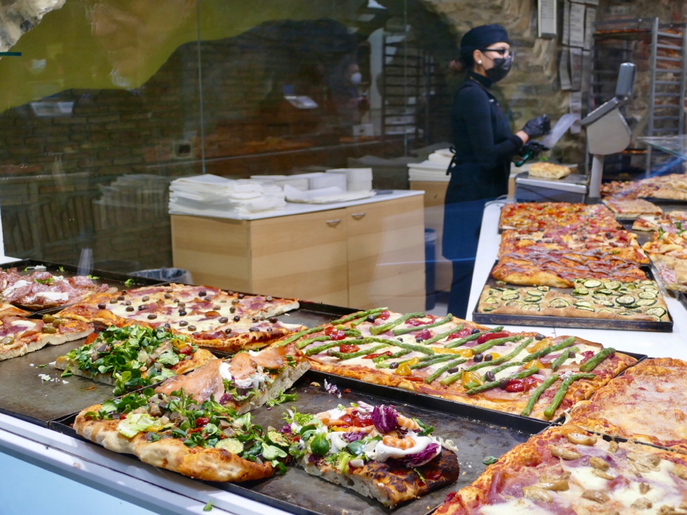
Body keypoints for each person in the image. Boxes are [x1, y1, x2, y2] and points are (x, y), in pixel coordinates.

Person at [443, 24, 550, 317]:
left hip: (485, 195)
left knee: (481, 277)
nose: (507, 58)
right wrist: (526, 134)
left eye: (508, 51)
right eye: (500, 52)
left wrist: (523, 146)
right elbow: (486, 155)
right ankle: (454, 335)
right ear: (478, 56)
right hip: (470, 198)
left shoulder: (485, 93)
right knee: (466, 278)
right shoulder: (471, 94)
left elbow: (496, 146)